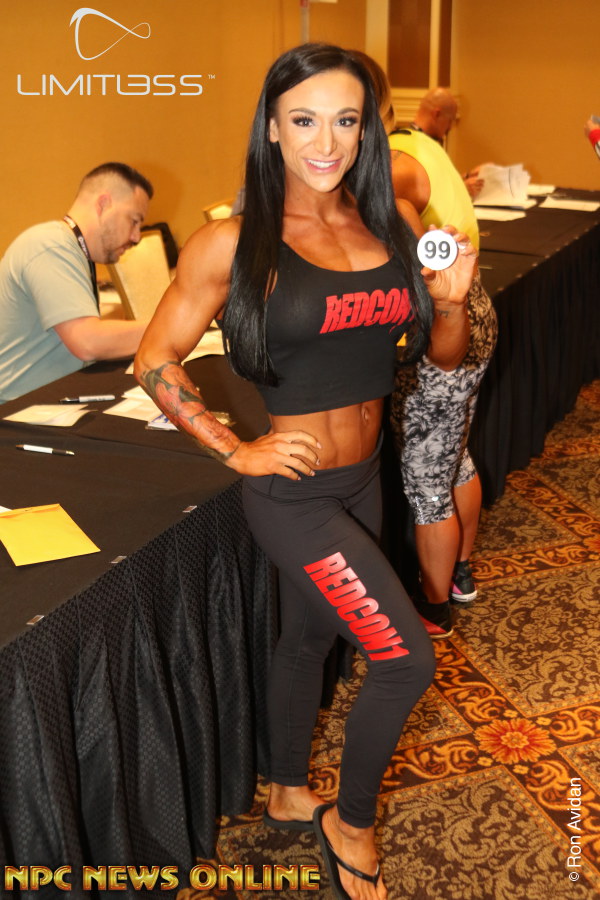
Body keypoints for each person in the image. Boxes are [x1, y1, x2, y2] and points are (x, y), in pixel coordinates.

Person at [134, 43, 477, 900]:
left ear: (367, 130)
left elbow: (443, 359)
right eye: (304, 120)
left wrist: (449, 305)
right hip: (294, 496)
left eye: (346, 120)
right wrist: (233, 448)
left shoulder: (388, 228)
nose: (326, 142)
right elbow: (154, 357)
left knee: (309, 638)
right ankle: (350, 825)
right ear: (272, 129)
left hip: (364, 479)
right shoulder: (232, 243)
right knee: (405, 661)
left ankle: (289, 790)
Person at [356, 54, 497, 640]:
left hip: (444, 322)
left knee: (425, 480)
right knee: (452, 455)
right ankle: (458, 571)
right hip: (471, 309)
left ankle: (434, 607)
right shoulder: (414, 146)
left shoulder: (391, 170)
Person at [0, 162, 153, 403]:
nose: (136, 237)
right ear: (103, 204)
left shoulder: (71, 249)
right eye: (134, 221)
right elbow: (88, 342)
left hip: (51, 398)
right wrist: (170, 327)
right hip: (14, 410)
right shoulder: (49, 244)